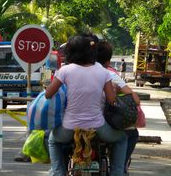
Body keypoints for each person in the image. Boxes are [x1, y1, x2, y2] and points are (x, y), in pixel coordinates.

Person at [45, 34, 128, 176]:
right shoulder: (103, 72)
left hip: (69, 127)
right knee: (122, 138)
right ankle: (117, 173)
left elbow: (48, 94)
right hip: (98, 127)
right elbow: (111, 100)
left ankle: (57, 172)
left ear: (71, 52)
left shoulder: (65, 70)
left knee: (52, 140)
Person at [97, 41, 140, 174]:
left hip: (72, 125)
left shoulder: (67, 72)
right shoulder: (108, 75)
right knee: (129, 135)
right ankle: (119, 169)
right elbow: (135, 100)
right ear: (108, 61)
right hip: (99, 125)